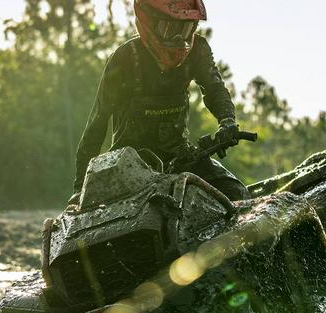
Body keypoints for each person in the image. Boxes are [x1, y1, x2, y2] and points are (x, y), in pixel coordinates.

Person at [69, 0, 249, 206]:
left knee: (236, 193)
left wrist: (227, 120)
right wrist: (80, 188)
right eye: (171, 28)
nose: (179, 38)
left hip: (182, 156)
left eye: (187, 27)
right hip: (128, 164)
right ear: (149, 22)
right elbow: (96, 124)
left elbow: (215, 89)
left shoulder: (198, 49)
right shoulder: (124, 59)